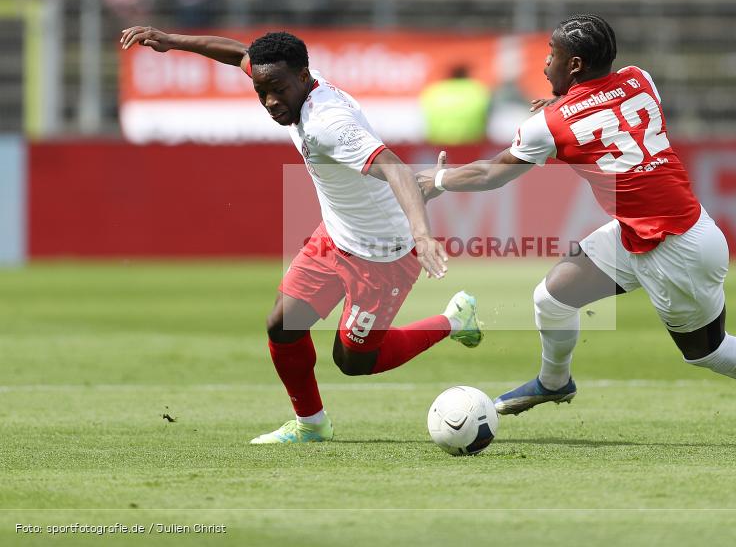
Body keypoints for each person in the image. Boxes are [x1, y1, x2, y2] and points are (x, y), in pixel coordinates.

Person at [418, 14, 736, 430]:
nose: (546, 63)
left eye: (552, 54)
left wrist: (438, 179)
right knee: (552, 298)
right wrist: (566, 104)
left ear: (574, 64)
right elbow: (607, 109)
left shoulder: (548, 124)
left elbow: (493, 173)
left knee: (708, 352)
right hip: (643, 232)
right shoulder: (641, 78)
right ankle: (554, 382)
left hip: (676, 250)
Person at [121, 26, 484, 444]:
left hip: (384, 253)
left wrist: (422, 234)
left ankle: (453, 321)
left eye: (278, 90)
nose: (270, 101)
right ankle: (311, 425)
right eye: (262, 92)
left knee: (354, 361)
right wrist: (172, 41)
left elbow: (395, 167)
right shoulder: (285, 77)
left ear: (303, 76)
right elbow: (238, 54)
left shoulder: (329, 122)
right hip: (336, 235)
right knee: (282, 324)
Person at [420, 64, 492, 146]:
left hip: (439, 142)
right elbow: (487, 115)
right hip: (471, 142)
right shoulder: (478, 89)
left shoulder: (433, 90)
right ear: (467, 75)